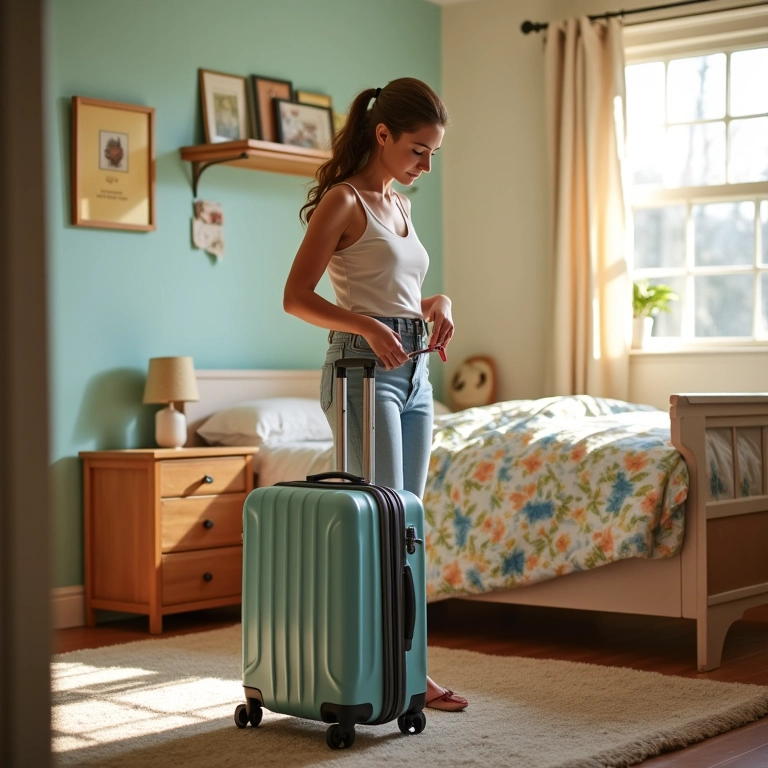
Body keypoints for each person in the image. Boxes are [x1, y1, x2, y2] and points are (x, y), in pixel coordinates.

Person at [283, 77, 467, 712]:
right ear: (382, 134)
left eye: (433, 153)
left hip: (414, 373)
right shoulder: (345, 201)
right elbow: (296, 297)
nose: (426, 164)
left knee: (407, 524)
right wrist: (363, 324)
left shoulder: (400, 207)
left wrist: (435, 303)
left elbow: (397, 293)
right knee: (385, 523)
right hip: (362, 371)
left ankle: (407, 665)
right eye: (419, 149)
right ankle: (388, 669)